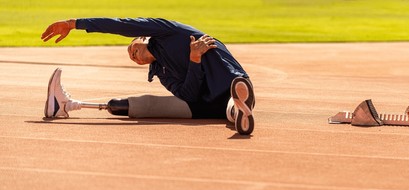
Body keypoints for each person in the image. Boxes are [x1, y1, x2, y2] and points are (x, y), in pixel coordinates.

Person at [41, 17, 255, 135]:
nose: (132, 56)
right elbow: (188, 95)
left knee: (209, 48)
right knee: (217, 104)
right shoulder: (161, 73)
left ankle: (238, 100)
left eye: (131, 48)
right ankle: (238, 111)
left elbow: (121, 25)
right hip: (207, 104)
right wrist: (194, 59)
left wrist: (74, 24)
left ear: (142, 38)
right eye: (131, 59)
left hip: (227, 79)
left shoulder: (166, 32)